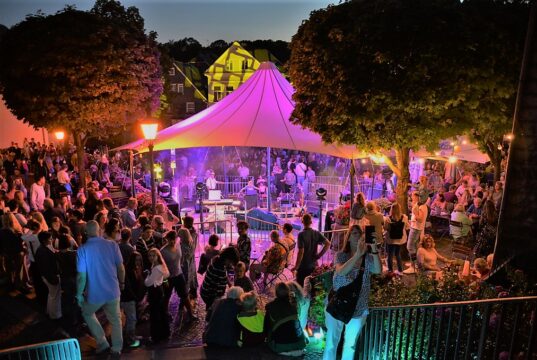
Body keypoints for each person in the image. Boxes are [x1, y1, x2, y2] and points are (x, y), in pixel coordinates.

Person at [323, 225, 382, 360]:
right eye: (354, 233)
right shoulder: (341, 255)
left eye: (359, 233)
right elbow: (341, 271)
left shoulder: (368, 258)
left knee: (350, 345)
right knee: (332, 343)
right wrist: (357, 255)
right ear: (348, 238)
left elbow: (378, 270)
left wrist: (373, 248)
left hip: (358, 306)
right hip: (337, 304)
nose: (357, 235)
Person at [76, 220, 125, 356]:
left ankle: (102, 342)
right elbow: (121, 268)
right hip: (113, 291)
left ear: (86, 233)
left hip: (95, 294)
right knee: (116, 320)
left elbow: (81, 276)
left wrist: (79, 294)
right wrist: (122, 283)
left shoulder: (82, 249)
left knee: (87, 313)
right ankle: (116, 348)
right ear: (99, 230)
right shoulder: (112, 245)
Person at [160, 230, 196, 322]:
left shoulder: (178, 245)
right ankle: (165, 314)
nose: (172, 242)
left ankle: (190, 314)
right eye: (170, 240)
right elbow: (161, 267)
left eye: (174, 239)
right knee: (167, 296)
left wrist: (181, 264)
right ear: (167, 239)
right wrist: (164, 281)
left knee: (184, 294)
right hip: (169, 277)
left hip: (179, 274)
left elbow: (180, 257)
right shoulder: (163, 251)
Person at [264, 282, 307, 356]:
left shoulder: (271, 307)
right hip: (299, 344)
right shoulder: (293, 305)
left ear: (276, 293)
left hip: (280, 346)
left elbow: (266, 327)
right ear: (288, 292)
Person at [292, 213, 330, 286]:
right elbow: (328, 243)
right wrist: (319, 255)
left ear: (302, 222)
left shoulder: (301, 235)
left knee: (301, 287)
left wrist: (296, 266)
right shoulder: (316, 233)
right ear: (311, 222)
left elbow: (301, 252)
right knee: (311, 287)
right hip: (313, 265)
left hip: (303, 266)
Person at [200, 246, 240, 311]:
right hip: (208, 294)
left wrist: (229, 283)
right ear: (228, 259)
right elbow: (214, 290)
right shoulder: (220, 269)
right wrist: (217, 303)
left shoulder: (217, 258)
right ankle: (210, 316)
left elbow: (221, 277)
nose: (231, 265)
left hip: (205, 289)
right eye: (231, 263)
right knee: (213, 312)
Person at [144, 248, 171, 344]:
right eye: (149, 256)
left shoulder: (156, 268)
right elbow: (167, 274)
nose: (151, 258)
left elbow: (147, 283)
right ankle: (165, 333)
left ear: (157, 256)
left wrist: (148, 276)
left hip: (154, 291)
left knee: (155, 314)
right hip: (159, 289)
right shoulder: (159, 266)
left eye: (153, 255)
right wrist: (160, 279)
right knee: (161, 312)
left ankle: (156, 336)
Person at [35, 231, 62, 320]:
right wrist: (54, 279)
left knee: (51, 295)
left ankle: (49, 311)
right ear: (44, 241)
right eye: (50, 239)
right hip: (51, 277)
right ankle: (55, 315)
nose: (52, 240)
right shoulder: (43, 252)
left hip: (47, 276)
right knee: (55, 296)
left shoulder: (42, 249)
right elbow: (46, 268)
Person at [120, 252, 145, 348]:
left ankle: (130, 336)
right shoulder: (129, 271)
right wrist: (134, 297)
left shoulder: (137, 269)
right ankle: (130, 339)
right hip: (128, 298)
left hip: (133, 298)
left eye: (140, 260)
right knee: (132, 319)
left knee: (131, 318)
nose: (138, 262)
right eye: (136, 260)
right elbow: (128, 287)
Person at [404, 191, 428, 274]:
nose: (411, 197)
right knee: (415, 246)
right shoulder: (419, 205)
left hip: (416, 229)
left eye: (412, 196)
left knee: (410, 246)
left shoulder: (421, 206)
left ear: (417, 197)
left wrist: (414, 213)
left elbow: (420, 219)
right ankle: (415, 264)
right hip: (415, 227)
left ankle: (413, 266)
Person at [384, 203, 409, 274]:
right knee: (398, 254)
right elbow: (407, 227)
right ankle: (400, 270)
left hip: (391, 240)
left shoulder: (388, 218)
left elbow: (386, 228)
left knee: (390, 255)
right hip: (400, 240)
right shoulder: (405, 217)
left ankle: (390, 270)